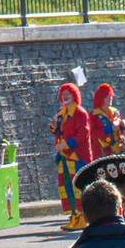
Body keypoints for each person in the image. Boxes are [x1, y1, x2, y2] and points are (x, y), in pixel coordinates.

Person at [52, 82, 96, 228]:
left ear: (74, 95)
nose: (65, 96)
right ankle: (74, 216)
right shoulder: (62, 114)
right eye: (63, 94)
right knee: (66, 186)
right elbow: (61, 132)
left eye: (68, 94)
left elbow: (83, 134)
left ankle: (83, 217)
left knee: (78, 186)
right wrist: (55, 132)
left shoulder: (80, 113)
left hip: (77, 156)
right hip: (65, 156)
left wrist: (67, 143)